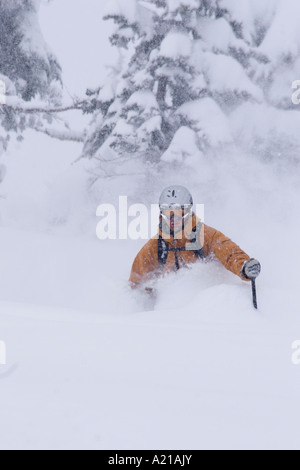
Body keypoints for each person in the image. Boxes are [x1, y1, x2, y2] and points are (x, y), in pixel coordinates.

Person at [129, 185, 261, 290]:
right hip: (167, 311)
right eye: (167, 213)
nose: (173, 219)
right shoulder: (156, 246)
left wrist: (244, 267)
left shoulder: (206, 235)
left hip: (204, 307)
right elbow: (136, 281)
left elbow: (230, 253)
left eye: (179, 213)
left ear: (187, 213)